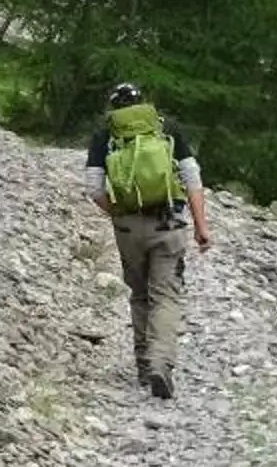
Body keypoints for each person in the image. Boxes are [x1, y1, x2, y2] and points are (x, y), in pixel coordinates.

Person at [85, 82, 211, 399]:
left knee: (140, 294)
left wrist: (118, 212)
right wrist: (201, 227)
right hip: (168, 222)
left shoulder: (107, 134)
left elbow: (94, 188)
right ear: (144, 103)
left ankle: (143, 366)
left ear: (113, 107)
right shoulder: (165, 128)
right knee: (166, 296)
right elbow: (192, 179)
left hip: (128, 226)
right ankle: (160, 363)